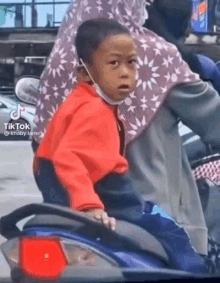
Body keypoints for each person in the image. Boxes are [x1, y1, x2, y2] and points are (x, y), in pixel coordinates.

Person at [32, 0, 220, 261]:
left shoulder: (62, 59)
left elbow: (43, 145)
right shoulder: (154, 55)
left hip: (70, 213)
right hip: (151, 214)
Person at [34, 17, 207, 273]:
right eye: (114, 63)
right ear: (84, 72)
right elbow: (67, 157)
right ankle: (194, 271)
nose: (125, 72)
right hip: (106, 191)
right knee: (169, 229)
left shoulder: (88, 101)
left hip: (77, 187)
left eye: (131, 62)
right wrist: (89, 205)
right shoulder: (92, 108)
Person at [144, 0, 220, 94]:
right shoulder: (204, 66)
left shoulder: (140, 54)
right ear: (181, 25)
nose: (190, 28)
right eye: (188, 21)